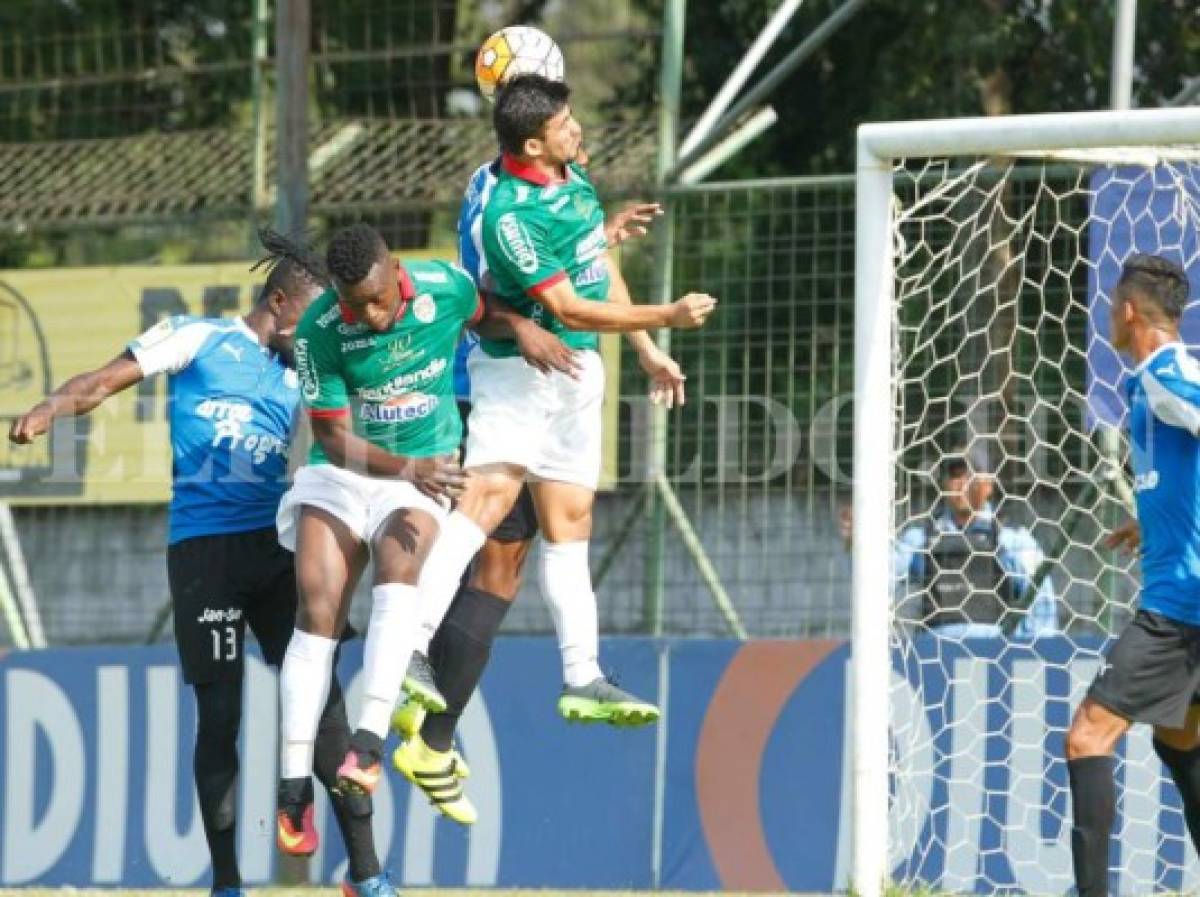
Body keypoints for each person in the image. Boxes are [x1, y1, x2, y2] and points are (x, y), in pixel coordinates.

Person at [7, 232, 383, 897]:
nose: (316, 333)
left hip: (277, 550)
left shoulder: (305, 371)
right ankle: (228, 884)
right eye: (312, 318)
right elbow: (101, 380)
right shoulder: (196, 338)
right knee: (221, 718)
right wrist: (50, 408)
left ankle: (369, 875)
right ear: (279, 302)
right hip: (203, 554)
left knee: (321, 706)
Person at [387, 73, 716, 822]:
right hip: (518, 378)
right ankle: (407, 645)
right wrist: (669, 312)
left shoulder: (574, 180)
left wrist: (647, 346)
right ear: (531, 142)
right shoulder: (505, 210)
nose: (578, 129)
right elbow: (563, 302)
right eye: (565, 123)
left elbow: (593, 271)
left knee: (571, 527)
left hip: (578, 378)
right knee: (487, 504)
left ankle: (583, 674)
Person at [275, 222, 552, 874]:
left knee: (400, 578)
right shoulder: (320, 329)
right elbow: (335, 439)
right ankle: (292, 787)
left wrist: (527, 329)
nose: (368, 315)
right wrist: (406, 467)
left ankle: (367, 746)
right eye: (353, 304)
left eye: (375, 299)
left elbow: (488, 310)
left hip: (418, 478)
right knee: (316, 612)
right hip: (351, 475)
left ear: (393, 271)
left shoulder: (442, 287)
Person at [1065, 254, 1200, 897]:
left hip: (1181, 605)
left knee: (1088, 736)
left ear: (1126, 311)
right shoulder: (1150, 382)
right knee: (1179, 738)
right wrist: (1151, 520)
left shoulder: (1167, 375)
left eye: (1109, 306)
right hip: (1183, 597)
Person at [892, 450, 1060, 638]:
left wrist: (1029, 654)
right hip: (935, 656)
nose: (963, 482)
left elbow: (1042, 604)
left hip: (995, 654)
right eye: (955, 475)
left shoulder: (1012, 540)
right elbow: (882, 590)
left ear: (989, 484)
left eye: (972, 474)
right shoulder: (919, 540)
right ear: (944, 484)